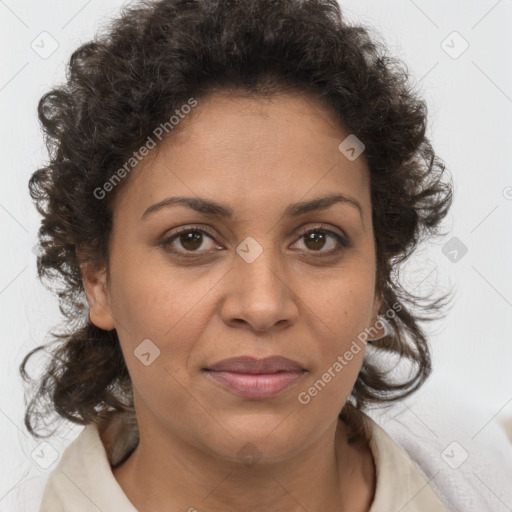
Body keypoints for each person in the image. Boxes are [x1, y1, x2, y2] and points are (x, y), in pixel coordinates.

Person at [17, 0, 512, 511]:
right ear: (98, 277)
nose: (262, 305)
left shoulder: (480, 470)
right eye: (192, 240)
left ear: (379, 281)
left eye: (317, 239)